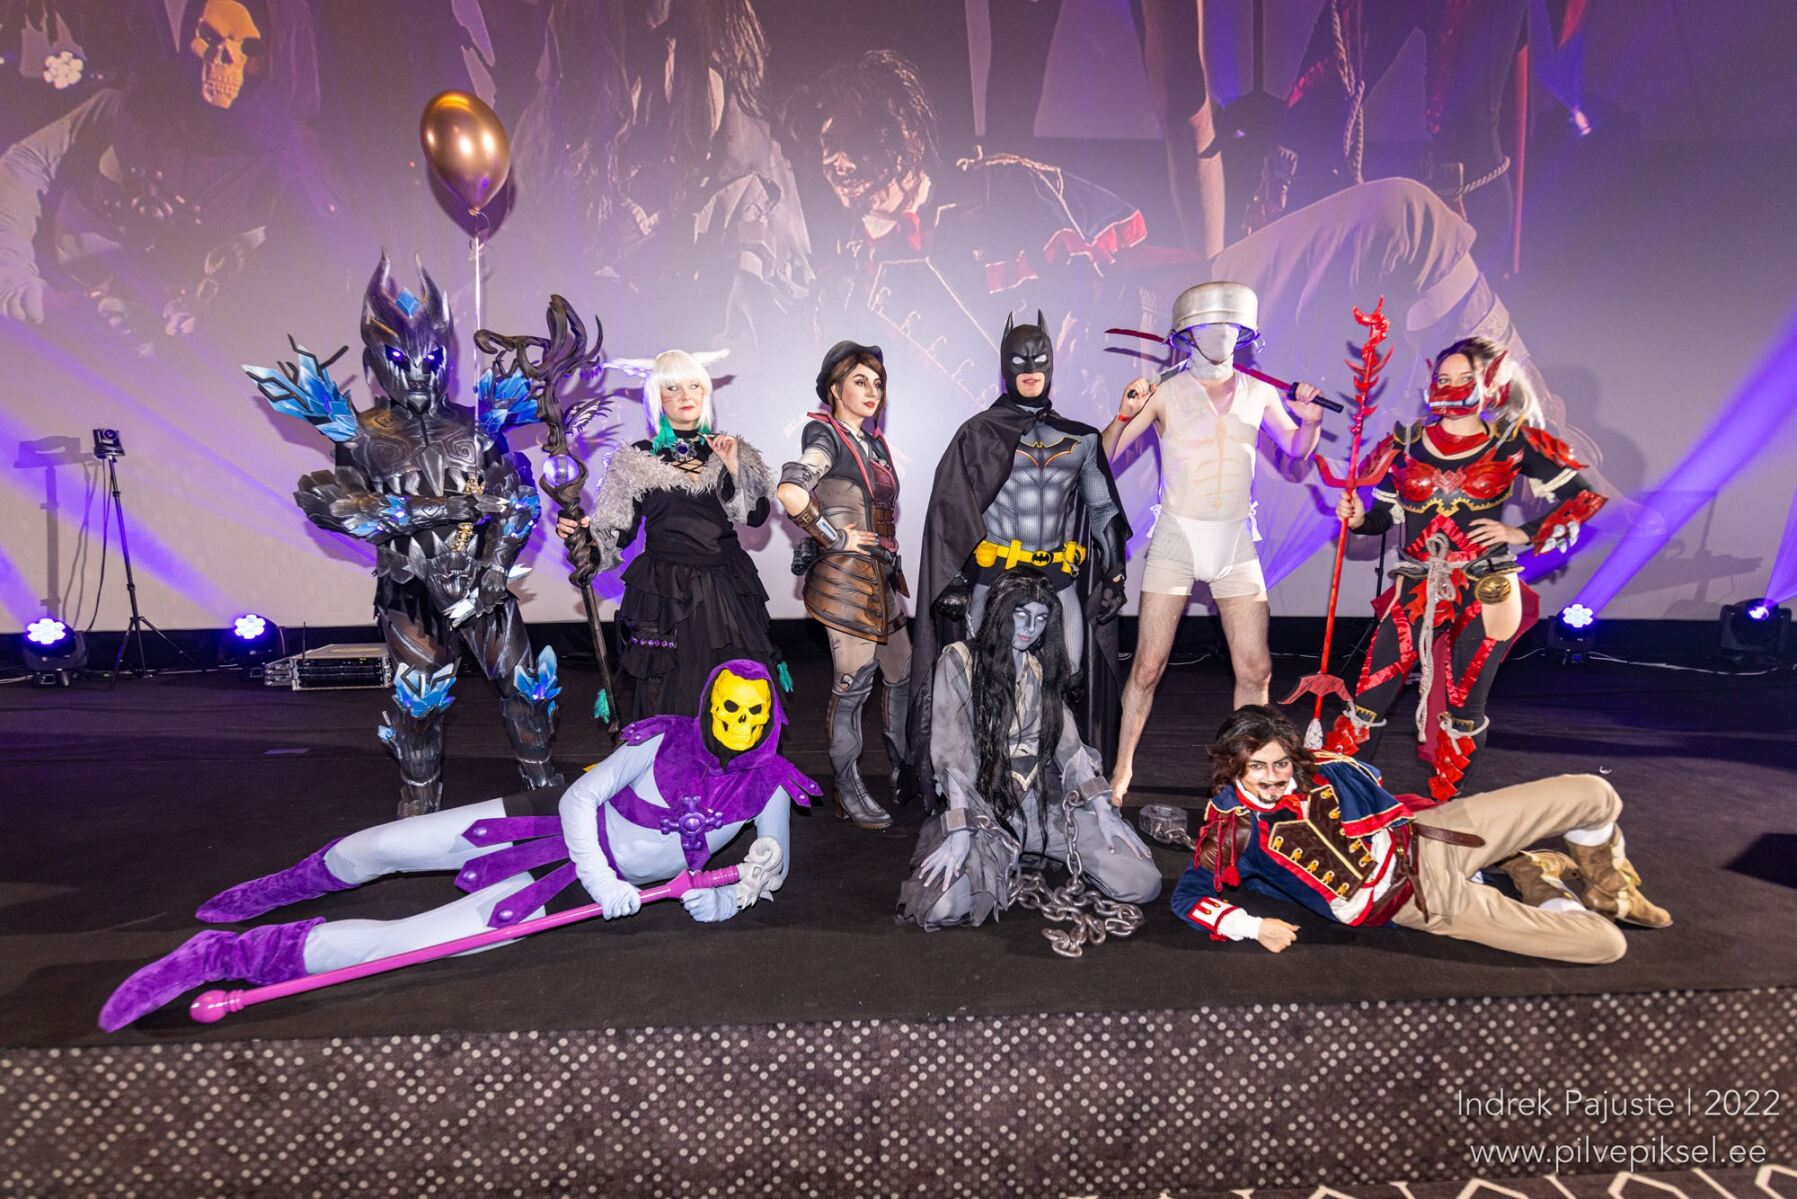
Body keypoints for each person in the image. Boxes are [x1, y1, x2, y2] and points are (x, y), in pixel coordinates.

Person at [98, 660, 817, 1032]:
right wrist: (604, 881)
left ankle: (224, 957)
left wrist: (731, 896)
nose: (741, 724)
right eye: (730, 707)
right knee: (379, 845)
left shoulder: (771, 786)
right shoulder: (660, 740)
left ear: (772, 718)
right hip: (546, 826)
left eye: (755, 714)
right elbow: (578, 800)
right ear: (710, 702)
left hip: (562, 888)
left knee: (407, 943)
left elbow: (768, 867)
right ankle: (283, 887)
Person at [246, 254, 558, 818]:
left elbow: (518, 499)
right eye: (400, 360)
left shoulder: (478, 424)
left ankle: (543, 785)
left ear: (446, 359)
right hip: (408, 589)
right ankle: (419, 797)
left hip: (482, 582)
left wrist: (496, 566)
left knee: (526, 687)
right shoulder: (359, 433)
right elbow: (338, 505)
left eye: (430, 359)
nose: (417, 373)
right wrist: (447, 506)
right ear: (375, 362)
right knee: (419, 701)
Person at [1323, 336, 1606, 799]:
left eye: (1464, 378)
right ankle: (1343, 801)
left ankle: (1446, 806)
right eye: (1444, 378)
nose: (1451, 386)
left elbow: (1584, 497)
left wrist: (1521, 533)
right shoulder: (1406, 442)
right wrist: (1357, 519)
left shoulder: (1512, 441)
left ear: (1490, 382)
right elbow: (1385, 516)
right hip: (1418, 582)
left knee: (1464, 702)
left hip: (1485, 585)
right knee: (1371, 693)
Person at [1167, 706, 1669, 963]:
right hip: (1422, 901)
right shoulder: (1233, 829)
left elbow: (1389, 802)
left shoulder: (1324, 768)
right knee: (1605, 945)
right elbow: (1188, 896)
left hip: (1431, 837)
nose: (1274, 777)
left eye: (1280, 763)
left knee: (1594, 793)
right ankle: (1541, 884)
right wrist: (1252, 927)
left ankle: (1611, 891)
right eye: (1257, 766)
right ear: (1233, 766)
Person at [1101, 280, 1325, 805]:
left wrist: (1311, 423)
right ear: (1189, 333)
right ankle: (1121, 772)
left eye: (1231, 326)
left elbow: (1295, 448)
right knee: (1147, 667)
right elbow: (1103, 456)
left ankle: (1249, 777)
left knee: (1256, 669)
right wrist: (1124, 413)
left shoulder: (1260, 392)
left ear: (1245, 333)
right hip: (1177, 537)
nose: (1221, 334)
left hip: (1235, 541)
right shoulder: (1164, 392)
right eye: (1210, 325)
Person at [907, 312, 1131, 808]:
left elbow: (1102, 509)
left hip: (1056, 579)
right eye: (1018, 359)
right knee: (987, 678)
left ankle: (1057, 775)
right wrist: (955, 578)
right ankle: (983, 777)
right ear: (1004, 366)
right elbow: (954, 510)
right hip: (997, 578)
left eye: (1038, 358)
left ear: (1051, 364)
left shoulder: (1082, 439)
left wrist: (1115, 572)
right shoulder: (980, 434)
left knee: (1066, 675)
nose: (1029, 368)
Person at [899, 571, 1161, 943]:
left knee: (1141, 882)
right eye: (1021, 614)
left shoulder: (1042, 668)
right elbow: (952, 754)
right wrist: (959, 830)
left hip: (1043, 809)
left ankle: (1023, 852)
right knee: (943, 906)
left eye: (1040, 618)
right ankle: (999, 855)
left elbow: (1071, 750)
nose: (1030, 628)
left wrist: (1104, 811)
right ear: (999, 612)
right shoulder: (959, 661)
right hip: (984, 814)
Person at [557, 349, 785, 720]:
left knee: (737, 687)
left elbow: (754, 516)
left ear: (705, 392)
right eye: (672, 388)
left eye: (694, 386)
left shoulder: (729, 450)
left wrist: (732, 466)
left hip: (726, 587)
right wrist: (584, 533)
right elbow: (616, 531)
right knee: (673, 689)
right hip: (666, 590)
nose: (685, 396)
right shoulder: (637, 458)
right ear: (656, 398)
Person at [776, 340, 911, 829]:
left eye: (877, 383)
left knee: (901, 675)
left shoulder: (872, 443)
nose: (872, 390)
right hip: (846, 584)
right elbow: (790, 490)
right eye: (859, 381)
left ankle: (904, 770)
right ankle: (846, 787)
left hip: (882, 578)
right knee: (853, 687)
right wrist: (832, 537)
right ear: (834, 389)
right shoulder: (825, 435)